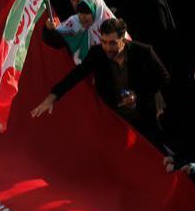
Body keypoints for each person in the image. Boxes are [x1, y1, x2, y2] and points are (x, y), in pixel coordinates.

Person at [31, 18, 171, 144]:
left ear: (123, 39)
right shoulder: (97, 54)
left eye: (112, 43)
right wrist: (52, 97)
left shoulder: (143, 52)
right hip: (117, 119)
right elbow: (75, 75)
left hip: (146, 116)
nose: (107, 48)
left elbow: (164, 77)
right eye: (103, 42)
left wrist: (138, 94)